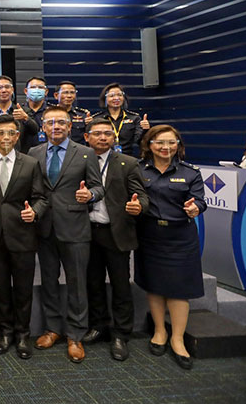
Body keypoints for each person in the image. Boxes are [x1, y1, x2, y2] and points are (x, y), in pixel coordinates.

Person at [29, 106, 103, 363]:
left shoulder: (85, 153)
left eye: (61, 122)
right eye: (50, 123)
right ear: (43, 127)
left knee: (77, 283)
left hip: (75, 227)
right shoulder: (34, 153)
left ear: (70, 126)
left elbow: (98, 187)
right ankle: (52, 329)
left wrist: (90, 195)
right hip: (44, 227)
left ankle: (75, 335)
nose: (56, 126)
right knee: (49, 281)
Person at [135, 125, 207, 370]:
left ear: (178, 145)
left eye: (171, 142)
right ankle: (159, 331)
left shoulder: (190, 172)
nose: (166, 147)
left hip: (180, 236)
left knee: (178, 289)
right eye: (160, 142)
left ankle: (177, 338)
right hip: (149, 234)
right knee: (154, 285)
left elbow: (200, 200)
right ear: (149, 145)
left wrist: (195, 208)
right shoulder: (139, 170)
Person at [81, 119, 149, 361]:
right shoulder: (79, 160)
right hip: (87, 232)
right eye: (97, 133)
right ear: (86, 137)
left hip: (116, 232)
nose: (103, 137)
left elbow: (141, 195)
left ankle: (121, 333)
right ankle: (98, 325)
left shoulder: (127, 163)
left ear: (114, 138)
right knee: (93, 282)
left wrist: (138, 206)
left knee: (120, 285)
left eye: (108, 134)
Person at [0, 114, 48, 360]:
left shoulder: (30, 163)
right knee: (0, 289)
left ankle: (22, 335)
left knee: (23, 290)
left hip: (22, 235)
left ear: (18, 136)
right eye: (1, 132)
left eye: (11, 133)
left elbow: (41, 197)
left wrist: (35, 212)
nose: (6, 137)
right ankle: (5, 333)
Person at [91, 82, 151, 157]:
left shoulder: (134, 118)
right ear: (105, 98)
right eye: (112, 95)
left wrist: (145, 130)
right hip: (103, 157)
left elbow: (139, 141)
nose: (116, 98)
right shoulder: (97, 118)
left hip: (127, 157)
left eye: (119, 95)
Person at [0, 75, 38, 153]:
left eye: (7, 87)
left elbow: (35, 130)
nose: (4, 90)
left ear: (12, 90)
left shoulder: (24, 111)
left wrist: (26, 118)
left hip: (19, 156)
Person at [52, 81, 91, 146]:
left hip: (77, 149)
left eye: (72, 92)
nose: (69, 96)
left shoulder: (83, 114)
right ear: (56, 95)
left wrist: (90, 124)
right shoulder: (49, 114)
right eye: (65, 92)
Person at [20, 76, 49, 153]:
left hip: (46, 153)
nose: (36, 90)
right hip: (23, 154)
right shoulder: (19, 111)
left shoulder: (52, 111)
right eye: (33, 87)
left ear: (46, 92)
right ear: (26, 91)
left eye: (40, 87)